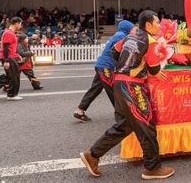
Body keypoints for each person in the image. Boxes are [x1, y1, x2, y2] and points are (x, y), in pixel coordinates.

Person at [80, 10, 174, 180]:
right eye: (157, 23)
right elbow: (154, 69)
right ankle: (152, 168)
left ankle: (92, 154)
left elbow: (115, 52)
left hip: (118, 83)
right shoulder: (150, 41)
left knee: (124, 125)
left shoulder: (129, 37)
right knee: (146, 125)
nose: (159, 26)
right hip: (132, 86)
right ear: (148, 25)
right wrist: (147, 66)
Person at [73, 20, 136, 122]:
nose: (135, 31)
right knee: (114, 89)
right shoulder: (122, 36)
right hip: (106, 67)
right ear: (127, 28)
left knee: (95, 89)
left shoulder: (118, 34)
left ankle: (79, 110)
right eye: (134, 29)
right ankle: (121, 115)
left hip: (101, 65)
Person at [0, 17, 23, 100]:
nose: (21, 26)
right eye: (20, 24)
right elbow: (6, 47)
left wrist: (17, 55)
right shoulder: (9, 33)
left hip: (10, 56)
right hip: (8, 57)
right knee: (15, 76)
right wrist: (6, 61)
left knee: (10, 76)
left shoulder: (9, 32)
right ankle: (12, 95)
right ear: (17, 23)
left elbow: (10, 47)